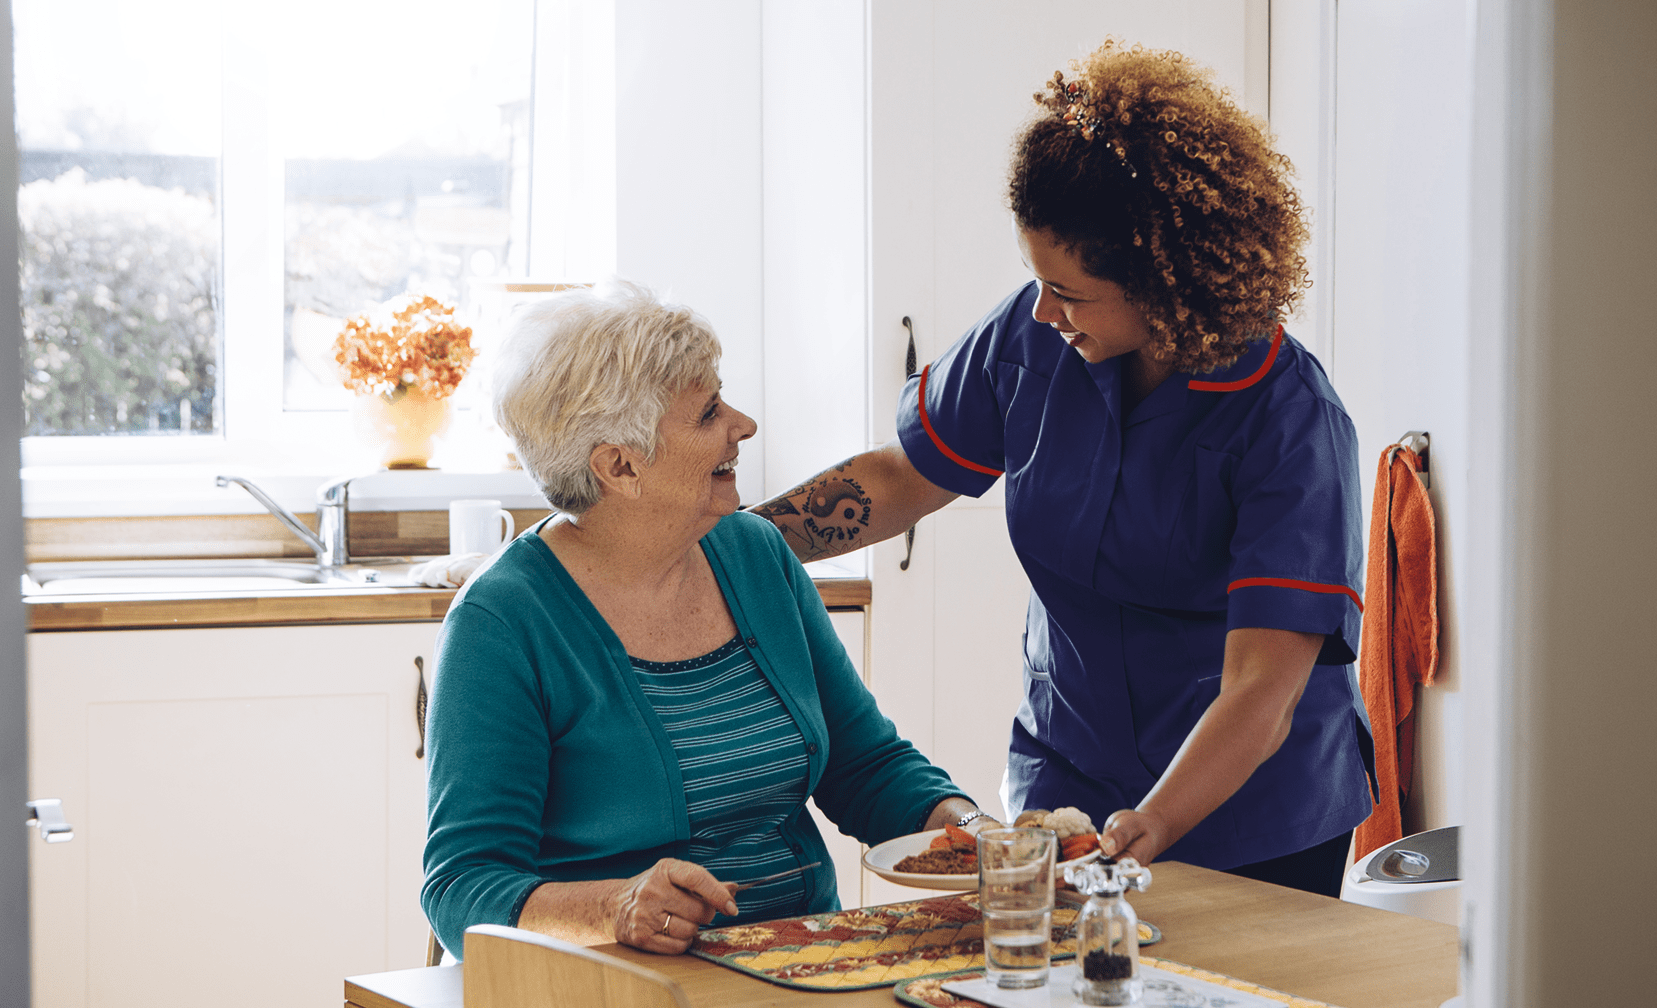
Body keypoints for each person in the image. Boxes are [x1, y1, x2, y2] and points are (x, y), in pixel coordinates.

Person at [751, 41, 1372, 896]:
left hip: (1252, 816)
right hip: (1068, 779)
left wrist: (1155, 821)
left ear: (1164, 281)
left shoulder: (1289, 419)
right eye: (1035, 280)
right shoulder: (1031, 337)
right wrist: (733, 541)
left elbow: (1263, 689)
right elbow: (899, 478)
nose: (1043, 309)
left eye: (1071, 292)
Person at [421, 280, 992, 958]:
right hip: (620, 987)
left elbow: (864, 765)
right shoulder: (504, 622)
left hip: (801, 963)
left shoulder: (754, 555)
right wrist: (617, 907)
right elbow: (462, 885)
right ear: (621, 466)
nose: (743, 425)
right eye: (709, 412)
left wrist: (979, 832)